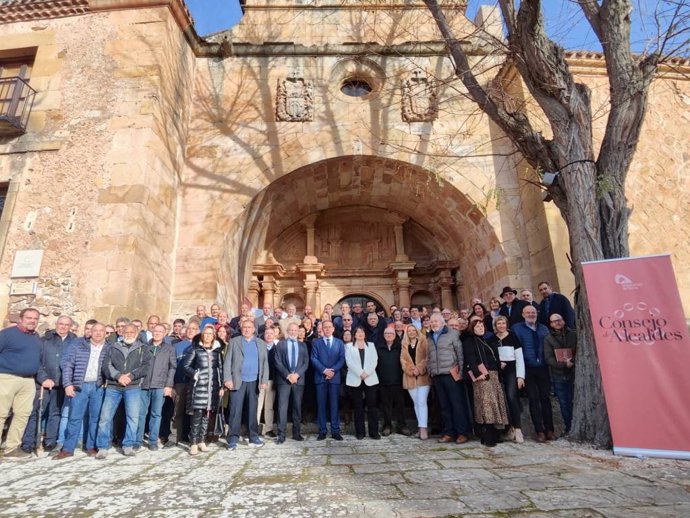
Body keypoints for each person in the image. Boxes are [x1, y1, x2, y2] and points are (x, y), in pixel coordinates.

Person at [21, 315, 77, 453]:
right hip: (44, 383)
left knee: (55, 413)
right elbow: (36, 361)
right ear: (56, 324)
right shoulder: (45, 339)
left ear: (70, 327)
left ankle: (50, 441)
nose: (63, 327)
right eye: (61, 324)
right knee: (36, 412)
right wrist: (43, 378)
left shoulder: (75, 342)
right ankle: (29, 442)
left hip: (62, 383)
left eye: (66, 325)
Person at [95, 323, 152, 458]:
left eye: (132, 332)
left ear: (137, 333)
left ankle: (128, 445)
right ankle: (103, 446)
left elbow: (145, 366)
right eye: (126, 332)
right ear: (122, 332)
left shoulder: (143, 348)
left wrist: (131, 376)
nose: (129, 334)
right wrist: (118, 376)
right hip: (114, 386)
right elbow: (106, 365)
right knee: (105, 417)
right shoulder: (113, 347)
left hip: (133, 387)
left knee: (132, 417)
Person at [54, 322, 109, 460]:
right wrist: (67, 384)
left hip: (98, 387)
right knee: (74, 418)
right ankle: (68, 448)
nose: (97, 333)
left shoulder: (109, 348)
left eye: (101, 330)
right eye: (95, 330)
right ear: (90, 332)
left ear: (105, 333)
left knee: (95, 418)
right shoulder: (79, 345)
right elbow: (67, 365)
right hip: (80, 386)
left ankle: (90, 446)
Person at [0, 308, 42, 459]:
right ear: (21, 318)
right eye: (29, 318)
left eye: (35, 318)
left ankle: (12, 448)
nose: (32, 321)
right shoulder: (7, 334)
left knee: (23, 414)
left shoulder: (36, 336)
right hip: (6, 378)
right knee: (1, 414)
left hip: (28, 380)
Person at [224, 319, 269, 450]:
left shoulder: (260, 343)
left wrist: (264, 381)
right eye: (244, 327)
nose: (247, 329)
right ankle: (232, 438)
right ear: (241, 329)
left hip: (254, 381)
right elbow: (227, 362)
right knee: (235, 411)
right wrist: (227, 379)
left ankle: (253, 437)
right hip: (238, 381)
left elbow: (265, 363)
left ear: (254, 329)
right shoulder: (234, 342)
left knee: (252, 411)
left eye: (249, 327)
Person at [426, 313, 471, 444]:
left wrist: (461, 372)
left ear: (442, 322)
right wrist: (430, 371)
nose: (434, 323)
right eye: (432, 321)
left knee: (457, 404)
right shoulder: (429, 337)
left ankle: (462, 432)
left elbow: (460, 354)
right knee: (444, 405)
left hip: (451, 374)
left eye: (436, 321)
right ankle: (449, 432)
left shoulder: (452, 334)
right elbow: (429, 356)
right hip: (437, 375)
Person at [463, 320, 509, 447]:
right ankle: (488, 436)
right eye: (477, 326)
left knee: (493, 404)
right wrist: (478, 374)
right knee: (486, 405)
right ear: (472, 328)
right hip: (483, 376)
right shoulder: (470, 341)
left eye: (482, 325)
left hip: (493, 375)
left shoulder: (485, 340)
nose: (480, 328)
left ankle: (492, 433)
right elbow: (471, 358)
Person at [512, 305, 553, 442]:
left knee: (546, 399)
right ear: (523, 315)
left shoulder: (544, 328)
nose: (531, 314)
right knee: (533, 399)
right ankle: (539, 431)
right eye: (528, 312)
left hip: (543, 367)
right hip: (527, 369)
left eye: (533, 312)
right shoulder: (517, 329)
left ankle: (550, 429)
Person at [182, 326, 224, 455]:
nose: (208, 336)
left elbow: (220, 369)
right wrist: (195, 374)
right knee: (197, 415)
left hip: (212, 388)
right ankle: (193, 442)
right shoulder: (195, 349)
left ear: (214, 336)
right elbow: (185, 366)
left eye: (210, 334)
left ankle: (202, 440)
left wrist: (222, 386)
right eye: (206, 333)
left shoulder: (217, 351)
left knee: (207, 415)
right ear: (202, 335)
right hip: (198, 386)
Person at [136, 324, 176, 451]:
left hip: (160, 385)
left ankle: (153, 441)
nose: (157, 333)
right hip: (144, 385)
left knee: (156, 414)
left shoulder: (169, 349)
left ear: (164, 334)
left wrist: (168, 385)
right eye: (155, 331)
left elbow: (172, 367)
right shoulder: (144, 347)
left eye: (160, 331)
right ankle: (137, 440)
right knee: (141, 414)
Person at [490, 315, 525, 443]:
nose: (501, 326)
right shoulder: (492, 339)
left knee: (511, 397)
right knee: (501, 400)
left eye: (503, 323)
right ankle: (506, 429)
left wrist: (520, 376)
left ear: (506, 325)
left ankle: (518, 429)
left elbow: (519, 357)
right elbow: (491, 357)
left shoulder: (512, 337)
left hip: (511, 370)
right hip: (498, 372)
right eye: (498, 323)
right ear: (495, 325)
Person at [273, 322, 309, 443]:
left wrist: (297, 375)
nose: (293, 332)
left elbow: (306, 363)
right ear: (288, 331)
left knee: (297, 407)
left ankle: (296, 433)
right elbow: (277, 362)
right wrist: (288, 375)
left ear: (298, 331)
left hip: (298, 381)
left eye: (295, 330)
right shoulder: (280, 345)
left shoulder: (303, 345)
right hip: (284, 381)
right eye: (291, 330)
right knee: (282, 408)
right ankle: (281, 435)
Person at [311, 320, 345, 440]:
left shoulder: (339, 343)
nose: (327, 329)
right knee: (321, 405)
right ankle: (322, 431)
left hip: (334, 378)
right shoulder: (316, 342)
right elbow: (314, 359)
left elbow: (342, 359)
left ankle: (335, 431)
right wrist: (324, 370)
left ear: (333, 329)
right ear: (322, 329)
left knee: (334, 405)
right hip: (320, 377)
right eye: (325, 327)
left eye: (329, 327)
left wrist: (332, 371)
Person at [544, 313, 576, 434]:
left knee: (575, 400)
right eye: (553, 321)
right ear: (551, 324)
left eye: (559, 320)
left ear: (563, 320)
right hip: (558, 375)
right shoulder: (548, 338)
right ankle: (569, 428)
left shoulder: (574, 334)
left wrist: (572, 362)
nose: (557, 322)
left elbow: (580, 351)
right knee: (564, 403)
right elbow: (548, 358)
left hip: (574, 373)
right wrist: (564, 364)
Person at [345, 326, 380, 440]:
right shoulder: (349, 346)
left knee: (372, 406)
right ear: (354, 335)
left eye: (362, 332)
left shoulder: (371, 345)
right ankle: (360, 432)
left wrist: (367, 372)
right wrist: (360, 372)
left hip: (370, 378)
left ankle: (374, 432)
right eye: (357, 332)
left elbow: (374, 360)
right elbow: (349, 362)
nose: (360, 334)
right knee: (358, 407)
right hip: (356, 379)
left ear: (365, 334)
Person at [376, 328, 409, 436]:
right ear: (383, 335)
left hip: (398, 381)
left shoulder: (400, 347)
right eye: (386, 333)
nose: (388, 335)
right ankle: (387, 425)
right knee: (386, 406)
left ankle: (402, 425)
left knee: (400, 405)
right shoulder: (378, 347)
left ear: (395, 335)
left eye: (391, 333)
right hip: (383, 381)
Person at [400, 324, 430, 440]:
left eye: (413, 330)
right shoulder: (404, 344)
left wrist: (420, 368)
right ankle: (420, 427)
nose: (411, 332)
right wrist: (410, 369)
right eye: (409, 331)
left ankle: (423, 429)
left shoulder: (424, 341)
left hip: (423, 377)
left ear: (416, 331)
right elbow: (402, 359)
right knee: (416, 403)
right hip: (410, 377)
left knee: (422, 402)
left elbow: (427, 357)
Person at [257, 326, 277, 438]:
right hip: (260, 380)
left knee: (269, 406)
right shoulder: (259, 347)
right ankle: (254, 428)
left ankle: (268, 429)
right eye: (267, 333)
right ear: (264, 335)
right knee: (258, 405)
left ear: (274, 335)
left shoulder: (277, 349)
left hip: (272, 380)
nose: (269, 335)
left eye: (271, 333)